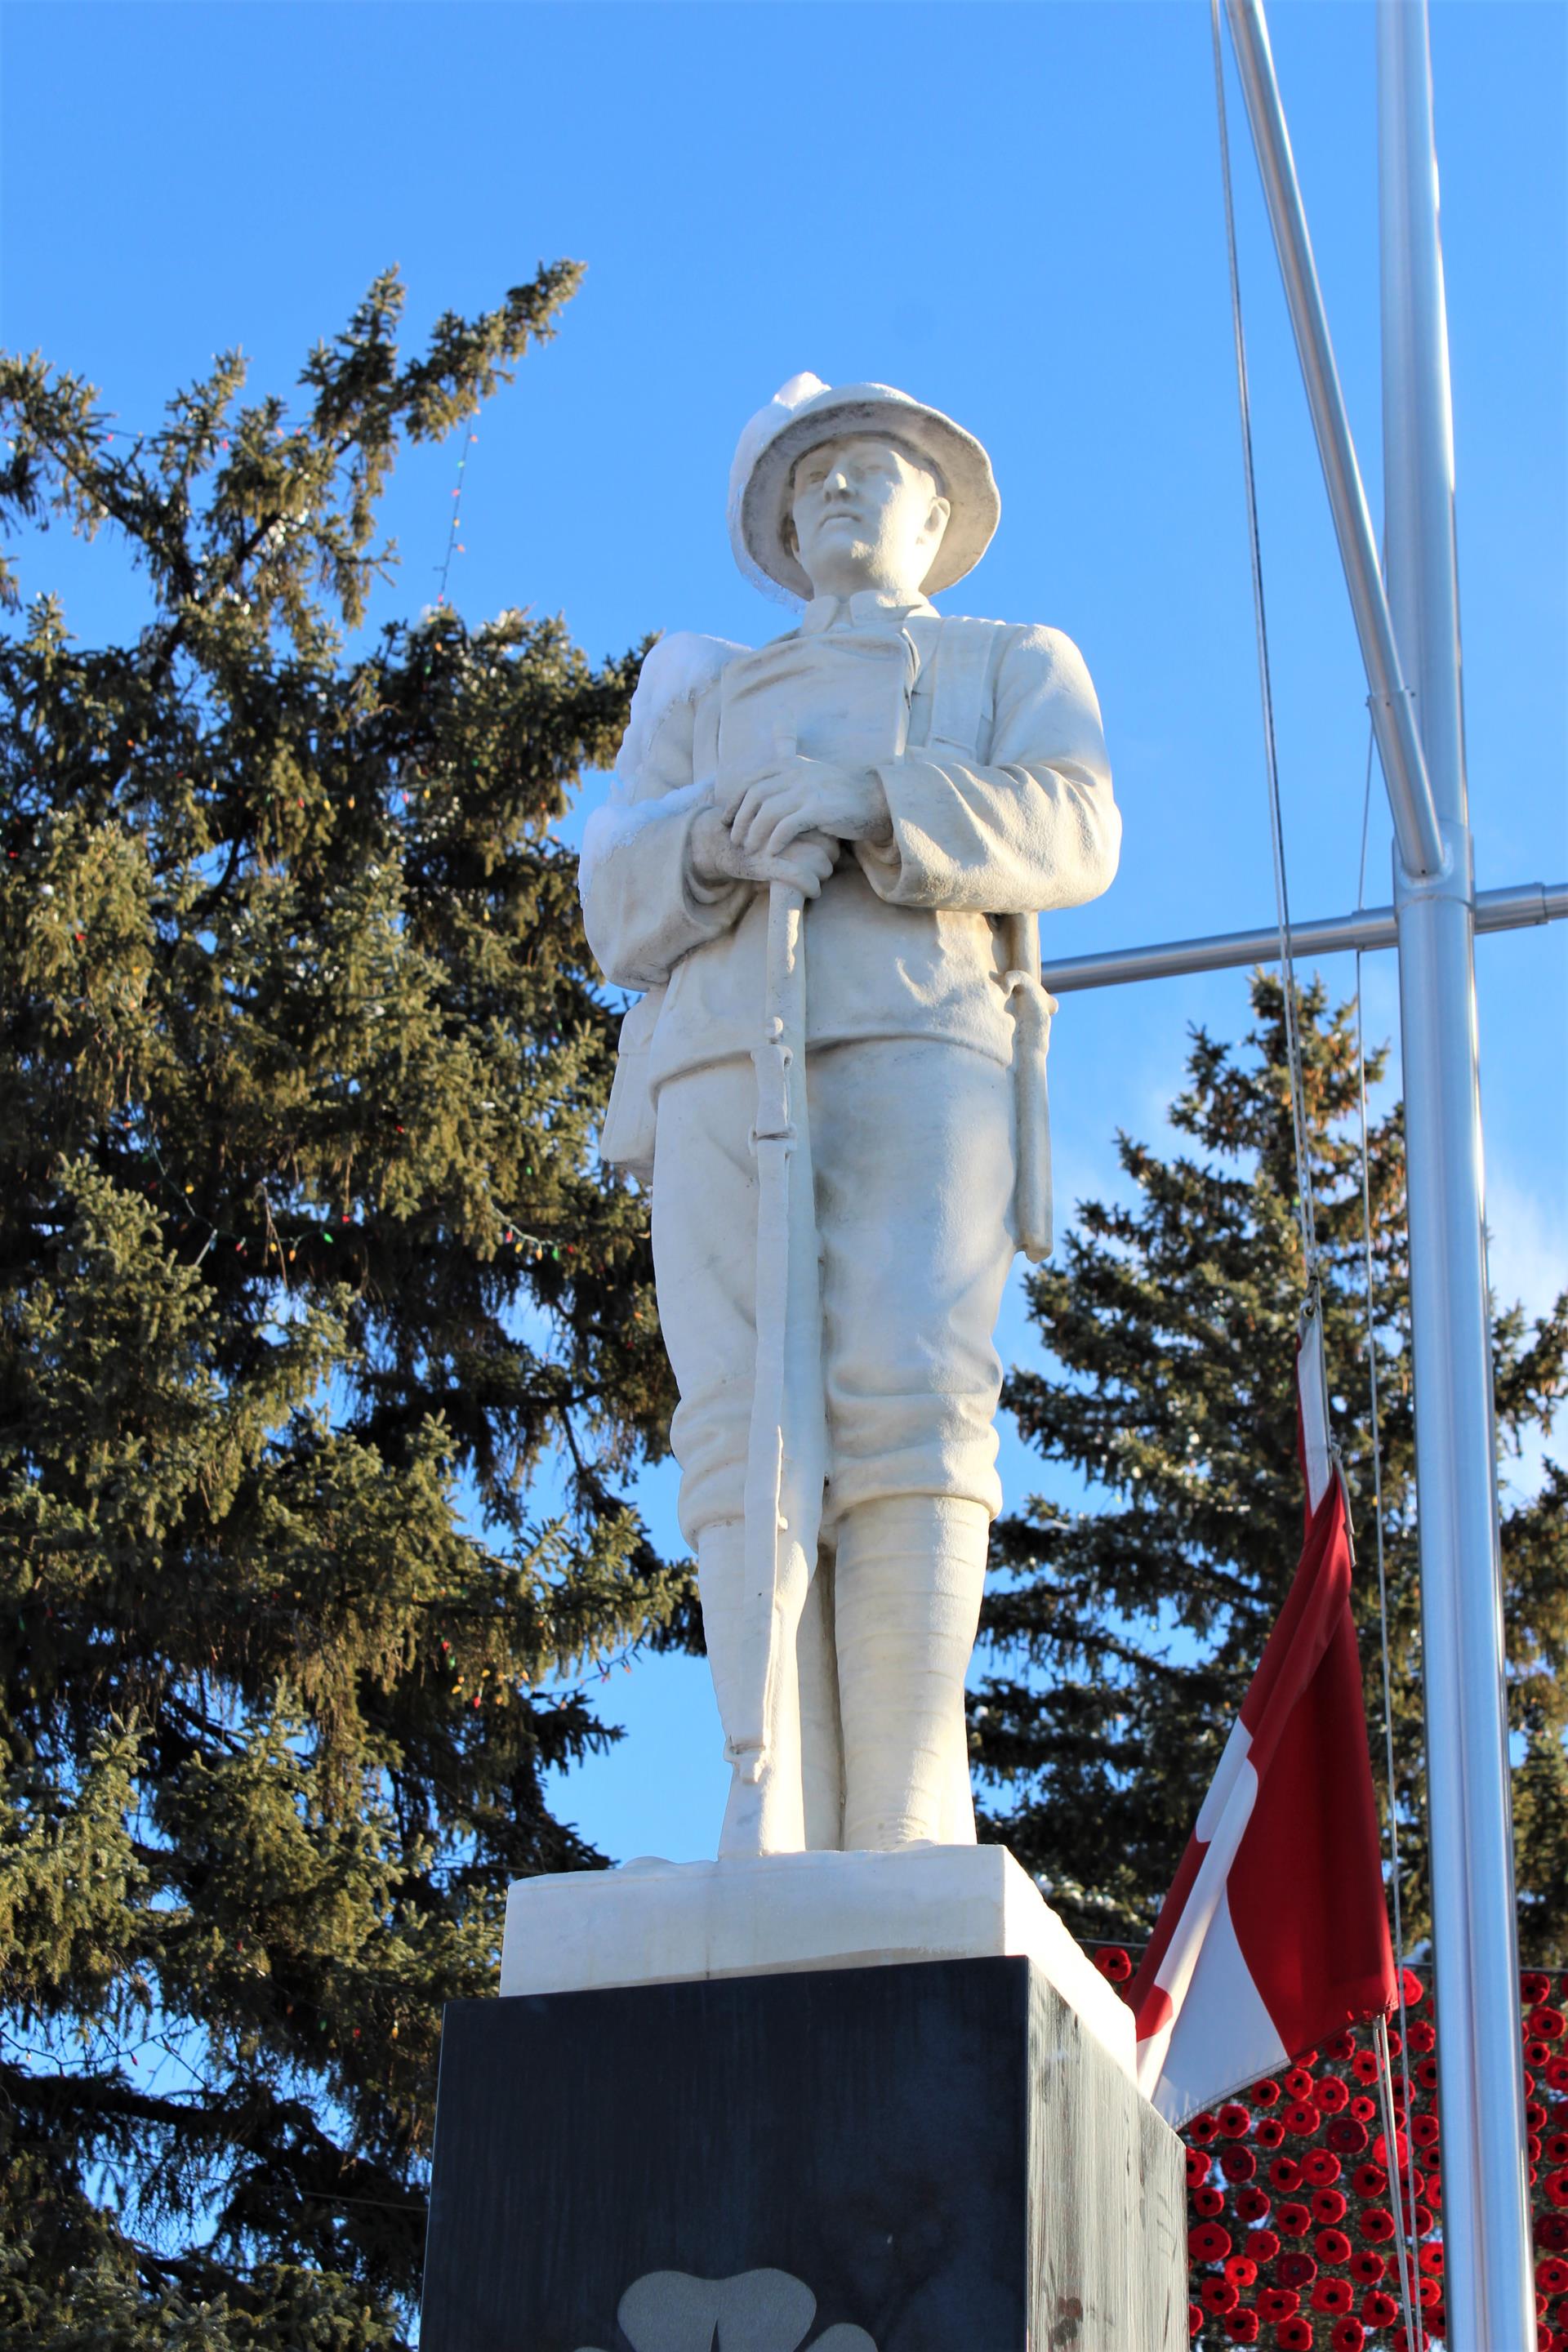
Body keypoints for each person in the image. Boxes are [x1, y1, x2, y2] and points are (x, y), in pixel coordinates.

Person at [581, 375, 1120, 1857]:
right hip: (715, 1060)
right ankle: (773, 1788)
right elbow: (612, 895)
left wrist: (873, 799)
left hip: (921, 1043)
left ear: (939, 515)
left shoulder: (1013, 657)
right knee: (736, 1419)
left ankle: (903, 1802)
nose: (838, 489)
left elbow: (1078, 825)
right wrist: (718, 830)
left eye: (873, 469)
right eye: (812, 473)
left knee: (910, 1401)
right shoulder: (699, 693)